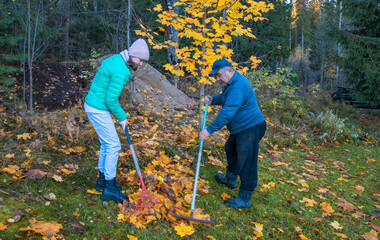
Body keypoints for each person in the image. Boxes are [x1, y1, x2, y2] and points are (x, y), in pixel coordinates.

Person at [84, 39, 150, 203]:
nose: (141, 64)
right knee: (114, 145)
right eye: (140, 60)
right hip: (98, 108)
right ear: (132, 55)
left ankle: (102, 181)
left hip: (93, 105)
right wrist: (122, 117)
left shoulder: (115, 59)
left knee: (106, 143)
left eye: (143, 61)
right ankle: (110, 189)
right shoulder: (122, 71)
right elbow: (111, 99)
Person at [199, 59, 266, 208]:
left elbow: (227, 113)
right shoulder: (231, 83)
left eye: (219, 75)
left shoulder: (237, 86)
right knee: (231, 148)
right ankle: (230, 180)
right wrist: (213, 99)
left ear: (229, 70)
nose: (217, 79)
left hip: (251, 127)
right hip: (241, 128)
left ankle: (245, 198)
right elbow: (226, 98)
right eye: (215, 76)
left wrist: (208, 130)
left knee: (246, 161)